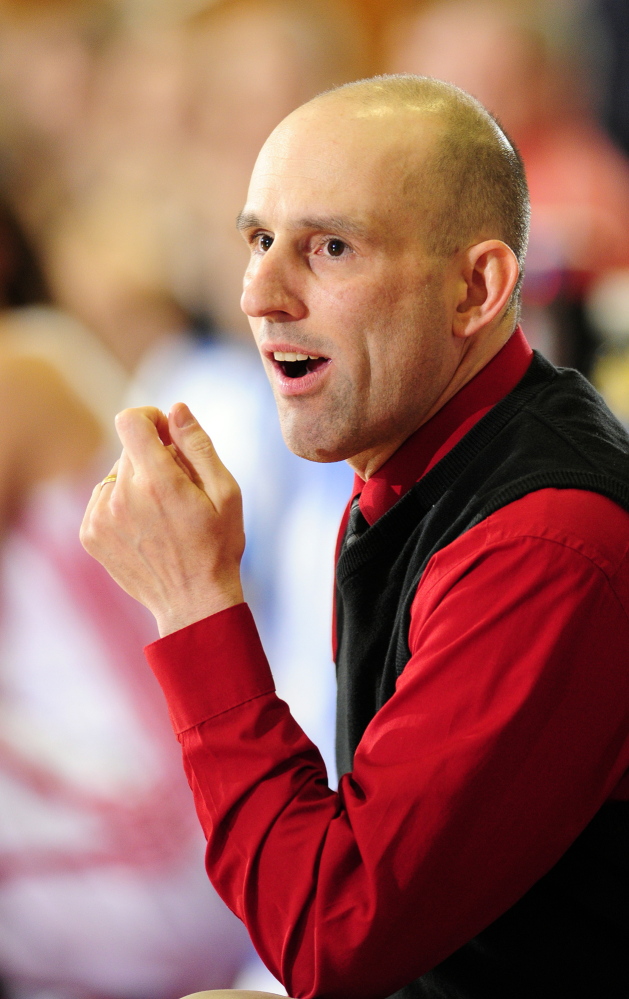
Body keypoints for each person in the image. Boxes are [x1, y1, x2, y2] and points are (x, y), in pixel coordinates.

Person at [81, 75, 629, 999]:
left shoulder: (543, 544)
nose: (259, 293)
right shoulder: (421, 465)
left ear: (477, 287)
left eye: (330, 246)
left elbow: (337, 938)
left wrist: (195, 603)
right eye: (257, 239)